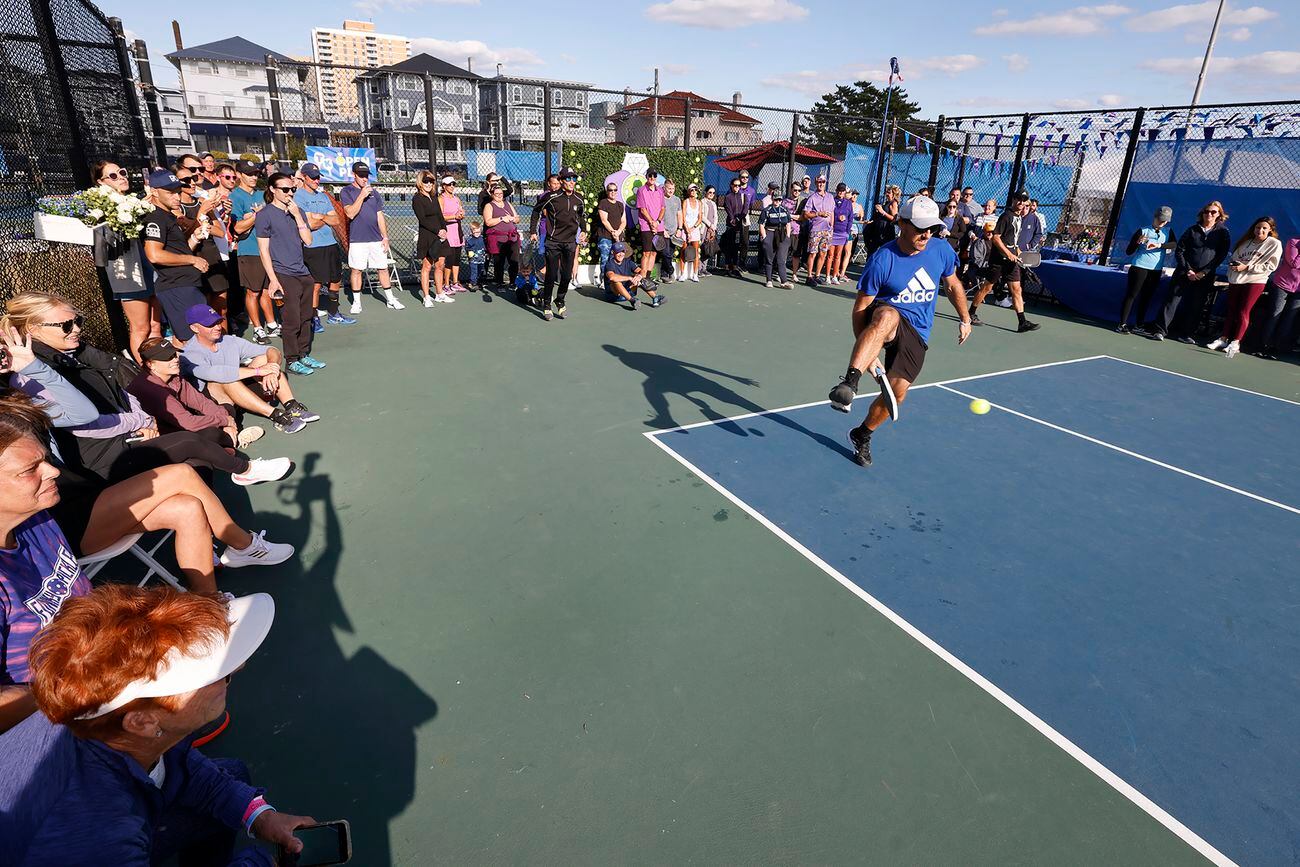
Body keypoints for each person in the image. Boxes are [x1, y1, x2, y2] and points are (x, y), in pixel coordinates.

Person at [5, 585, 317, 864]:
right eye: (217, 674)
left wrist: (257, 814)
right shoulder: (101, 839)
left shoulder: (104, 719)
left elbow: (173, 765)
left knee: (232, 775)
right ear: (141, 721)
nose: (238, 668)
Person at [0, 386, 292, 597]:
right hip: (60, 520)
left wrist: (32, 364)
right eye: (65, 325)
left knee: (187, 507)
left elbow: (79, 410)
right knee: (180, 474)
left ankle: (208, 605)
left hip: (78, 494)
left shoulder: (19, 386)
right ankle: (243, 544)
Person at [4, 293, 276, 486]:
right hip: (103, 458)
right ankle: (246, 470)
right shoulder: (30, 378)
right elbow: (83, 420)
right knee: (191, 442)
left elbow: (125, 388)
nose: (76, 329)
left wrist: (142, 421)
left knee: (200, 461)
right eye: (66, 325)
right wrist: (135, 423)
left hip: (128, 437)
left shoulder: (77, 356)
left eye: (78, 322)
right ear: (32, 329)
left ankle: (213, 544)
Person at [826, 196, 972, 467]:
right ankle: (849, 383)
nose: (926, 234)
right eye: (919, 227)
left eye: (931, 228)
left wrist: (965, 318)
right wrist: (865, 360)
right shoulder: (883, 259)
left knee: (897, 393)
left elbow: (952, 285)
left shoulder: (941, 250)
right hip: (885, 318)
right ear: (902, 224)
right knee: (888, 315)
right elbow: (860, 310)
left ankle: (862, 434)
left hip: (918, 332)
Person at [0, 395, 91, 734]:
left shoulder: (36, 521)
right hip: (53, 723)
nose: (53, 471)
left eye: (45, 459)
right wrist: (85, 694)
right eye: (29, 470)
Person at [127, 337, 288, 485]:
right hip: (161, 441)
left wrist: (227, 420)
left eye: (174, 355)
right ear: (150, 364)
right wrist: (224, 421)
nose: (175, 360)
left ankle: (228, 442)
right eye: (167, 358)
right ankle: (239, 462)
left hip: (179, 427)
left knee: (225, 408)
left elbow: (202, 403)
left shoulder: (174, 377)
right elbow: (188, 423)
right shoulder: (152, 389)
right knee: (210, 434)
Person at [181, 304, 315, 435]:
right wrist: (259, 372)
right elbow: (216, 373)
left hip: (237, 393)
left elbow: (272, 350)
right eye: (210, 324)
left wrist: (271, 368)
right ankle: (276, 415)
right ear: (195, 328)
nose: (217, 327)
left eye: (218, 322)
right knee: (227, 380)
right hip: (214, 403)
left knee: (265, 359)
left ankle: (291, 406)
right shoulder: (189, 354)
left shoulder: (228, 341)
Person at [90, 160, 158, 364]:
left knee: (155, 324)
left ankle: (161, 363)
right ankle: (146, 373)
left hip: (146, 265)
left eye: (122, 172)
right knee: (141, 327)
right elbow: (105, 240)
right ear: (101, 182)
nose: (121, 177)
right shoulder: (100, 207)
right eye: (113, 176)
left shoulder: (133, 202)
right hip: (126, 270)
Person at [257, 173, 322, 377]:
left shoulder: (298, 211)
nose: (289, 193)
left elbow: (308, 240)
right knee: (291, 319)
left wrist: (296, 216)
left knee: (306, 317)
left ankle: (303, 354)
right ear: (272, 190)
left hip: (302, 272)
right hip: (283, 273)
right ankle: (291, 359)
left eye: (292, 189)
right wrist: (273, 280)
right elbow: (263, 250)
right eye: (285, 189)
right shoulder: (265, 215)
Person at [140, 169, 210, 343]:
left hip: (186, 284)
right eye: (170, 192)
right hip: (176, 286)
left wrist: (194, 238)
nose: (176, 197)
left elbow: (177, 250)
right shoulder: (155, 217)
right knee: (194, 341)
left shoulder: (168, 216)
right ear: (154, 192)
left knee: (194, 339)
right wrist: (193, 259)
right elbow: (154, 254)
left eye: (177, 191)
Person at [1149, 201, 1231, 342]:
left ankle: (1186, 334)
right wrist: (1188, 270)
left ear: (1219, 215)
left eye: (1213, 212)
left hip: (1205, 276)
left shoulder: (1223, 233)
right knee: (1171, 301)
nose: (1209, 214)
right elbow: (1180, 250)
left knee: (1196, 305)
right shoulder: (1192, 230)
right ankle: (1160, 331)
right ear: (1202, 213)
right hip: (1183, 272)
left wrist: (1203, 272)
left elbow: (1220, 256)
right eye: (1207, 211)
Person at [1205, 216, 1282, 357]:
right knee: (1231, 310)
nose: (1260, 230)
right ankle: (1223, 339)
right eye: (1258, 227)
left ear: (1270, 229)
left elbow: (1271, 266)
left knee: (1243, 311)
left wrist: (1247, 267)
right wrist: (1234, 268)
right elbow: (1234, 259)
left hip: (1256, 281)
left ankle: (1236, 343)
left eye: (1264, 228)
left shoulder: (1274, 244)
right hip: (1237, 280)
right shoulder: (1245, 243)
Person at [968, 193, 1041, 332]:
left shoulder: (1019, 217)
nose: (1021, 202)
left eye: (1024, 200)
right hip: (999, 260)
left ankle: (1022, 322)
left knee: (1016, 290)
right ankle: (971, 313)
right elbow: (996, 238)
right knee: (987, 288)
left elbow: (1012, 239)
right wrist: (1008, 253)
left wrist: (1017, 251)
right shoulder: (1006, 216)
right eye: (1018, 199)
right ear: (1013, 200)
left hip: (1011, 260)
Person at [293, 163, 355, 328]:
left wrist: (319, 216)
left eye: (318, 177)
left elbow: (335, 220)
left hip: (331, 244)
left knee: (335, 279)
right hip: (313, 247)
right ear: (304, 178)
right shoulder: (298, 197)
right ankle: (314, 318)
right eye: (312, 177)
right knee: (316, 284)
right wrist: (322, 218)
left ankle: (334, 313)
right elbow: (310, 224)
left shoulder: (322, 196)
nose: (316, 180)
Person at [174, 155, 231, 323]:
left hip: (212, 255)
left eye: (193, 177)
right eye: (186, 179)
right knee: (203, 313)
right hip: (193, 260)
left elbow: (220, 232)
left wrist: (204, 215)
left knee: (221, 310)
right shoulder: (175, 208)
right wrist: (202, 214)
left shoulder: (202, 200)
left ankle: (225, 346)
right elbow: (186, 233)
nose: (192, 181)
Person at [340, 161, 401, 311]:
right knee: (356, 270)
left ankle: (391, 299)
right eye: (361, 176)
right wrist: (361, 195)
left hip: (376, 239)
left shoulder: (375, 193)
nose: (364, 179)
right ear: (354, 175)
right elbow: (350, 213)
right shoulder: (346, 192)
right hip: (357, 240)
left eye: (366, 176)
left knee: (383, 268)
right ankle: (357, 303)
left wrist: (385, 237)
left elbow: (379, 216)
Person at [228, 159, 277, 346]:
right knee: (253, 292)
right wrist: (257, 216)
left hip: (267, 250)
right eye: (249, 174)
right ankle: (257, 328)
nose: (254, 177)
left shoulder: (261, 195)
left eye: (256, 173)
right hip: (249, 251)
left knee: (267, 290)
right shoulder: (235, 197)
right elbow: (238, 228)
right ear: (239, 175)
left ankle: (271, 324)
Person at [528, 167, 584, 321]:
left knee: (566, 276)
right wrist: (533, 231)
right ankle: (547, 304)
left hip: (570, 243)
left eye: (574, 179)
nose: (572, 182)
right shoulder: (551, 197)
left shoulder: (578, 198)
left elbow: (581, 216)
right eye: (568, 179)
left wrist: (584, 230)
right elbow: (536, 212)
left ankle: (560, 299)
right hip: (553, 242)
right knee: (551, 275)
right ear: (561, 181)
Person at [1118, 206, 1172, 335]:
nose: (1162, 222)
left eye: (1165, 220)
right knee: (1132, 295)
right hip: (1139, 267)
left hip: (1155, 270)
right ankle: (1122, 324)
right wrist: (1137, 242)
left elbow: (1174, 244)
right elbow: (1129, 251)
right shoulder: (1143, 230)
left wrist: (1159, 245)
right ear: (1155, 217)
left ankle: (1139, 325)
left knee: (1146, 298)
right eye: (1160, 219)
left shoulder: (1168, 232)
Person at [1254, 235, 1300, 359]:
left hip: (1298, 292)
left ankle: (1277, 348)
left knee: (1289, 319)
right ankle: (1263, 346)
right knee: (1275, 314)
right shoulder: (1293, 242)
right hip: (1282, 284)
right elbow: (1294, 263)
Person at [413, 171, 451, 307]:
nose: (429, 184)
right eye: (426, 181)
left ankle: (440, 294)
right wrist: (437, 231)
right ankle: (427, 297)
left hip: (440, 235)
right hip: (427, 236)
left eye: (431, 181)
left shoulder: (434, 197)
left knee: (440, 265)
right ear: (420, 182)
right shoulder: (417, 199)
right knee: (427, 266)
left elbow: (440, 216)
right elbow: (422, 219)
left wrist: (444, 230)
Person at [603, 242, 666, 309]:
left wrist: (639, 277)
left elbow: (642, 271)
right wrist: (630, 278)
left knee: (639, 277)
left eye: (623, 251)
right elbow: (612, 277)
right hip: (614, 296)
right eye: (618, 252)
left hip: (628, 291)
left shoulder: (628, 262)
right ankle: (632, 301)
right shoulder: (609, 264)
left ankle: (655, 298)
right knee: (616, 281)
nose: (621, 254)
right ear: (613, 252)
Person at [483, 184, 521, 290]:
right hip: (498, 239)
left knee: (514, 261)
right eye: (496, 194)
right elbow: (488, 222)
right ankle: (500, 283)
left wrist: (513, 219)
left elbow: (517, 218)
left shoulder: (507, 203)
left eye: (501, 193)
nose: (499, 195)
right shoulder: (489, 206)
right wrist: (501, 218)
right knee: (499, 262)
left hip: (512, 238)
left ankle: (513, 282)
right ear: (492, 195)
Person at [757, 182, 792, 289]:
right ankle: (769, 280)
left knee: (781, 260)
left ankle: (784, 281)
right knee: (769, 259)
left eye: (780, 200)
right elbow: (761, 224)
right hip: (770, 233)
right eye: (776, 199)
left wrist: (788, 236)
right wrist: (764, 237)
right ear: (772, 198)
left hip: (781, 235)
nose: (778, 202)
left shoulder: (785, 210)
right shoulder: (767, 210)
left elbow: (788, 223)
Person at [802, 175, 836, 286]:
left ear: (825, 183)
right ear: (816, 183)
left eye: (823, 182)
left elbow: (832, 212)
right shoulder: (812, 198)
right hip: (816, 230)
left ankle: (817, 275)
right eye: (819, 182)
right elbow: (806, 214)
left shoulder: (830, 197)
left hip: (827, 231)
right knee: (813, 253)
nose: (821, 184)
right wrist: (818, 214)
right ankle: (809, 277)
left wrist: (832, 225)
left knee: (823, 253)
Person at [635, 169, 666, 281]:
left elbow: (663, 208)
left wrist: (657, 222)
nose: (652, 177)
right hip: (646, 226)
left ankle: (647, 278)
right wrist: (651, 223)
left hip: (659, 226)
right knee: (646, 253)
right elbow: (643, 210)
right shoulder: (641, 190)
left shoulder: (660, 191)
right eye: (650, 175)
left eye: (654, 175)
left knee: (653, 253)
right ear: (646, 176)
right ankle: (642, 278)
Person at [439, 176, 467, 294]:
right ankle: (446, 285)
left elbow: (461, 212)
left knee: (456, 260)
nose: (452, 186)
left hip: (458, 232)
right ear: (444, 186)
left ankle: (455, 283)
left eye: (453, 184)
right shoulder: (441, 199)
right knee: (449, 260)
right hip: (448, 232)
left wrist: (461, 214)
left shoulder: (457, 199)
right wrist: (454, 217)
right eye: (449, 184)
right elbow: (440, 217)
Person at [594, 181, 627, 279]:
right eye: (610, 190)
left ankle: (616, 280)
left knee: (618, 260)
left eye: (615, 190)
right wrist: (613, 232)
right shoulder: (603, 203)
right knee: (605, 259)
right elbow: (604, 220)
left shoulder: (620, 205)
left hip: (618, 237)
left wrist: (618, 232)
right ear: (607, 191)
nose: (613, 192)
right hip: (605, 237)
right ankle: (604, 281)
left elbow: (624, 221)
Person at [827, 182, 854, 285]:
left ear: (844, 192)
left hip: (843, 233)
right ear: (836, 190)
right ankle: (827, 276)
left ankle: (834, 276)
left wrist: (847, 232)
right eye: (839, 190)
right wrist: (838, 218)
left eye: (842, 191)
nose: (841, 192)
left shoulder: (848, 203)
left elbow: (850, 218)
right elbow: (830, 214)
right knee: (830, 255)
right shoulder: (831, 201)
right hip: (833, 232)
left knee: (838, 256)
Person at [721, 176, 748, 277]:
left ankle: (735, 267)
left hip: (739, 225)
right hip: (730, 225)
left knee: (736, 246)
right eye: (735, 185)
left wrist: (739, 218)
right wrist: (732, 219)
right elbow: (728, 208)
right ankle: (728, 267)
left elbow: (745, 209)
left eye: (739, 186)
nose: (737, 187)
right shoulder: (728, 197)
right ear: (731, 186)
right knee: (729, 246)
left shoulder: (743, 196)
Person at [678, 183, 704, 283]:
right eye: (692, 190)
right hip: (685, 229)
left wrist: (692, 229)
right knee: (683, 251)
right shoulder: (685, 202)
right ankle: (682, 274)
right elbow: (683, 217)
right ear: (689, 191)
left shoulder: (699, 203)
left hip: (695, 230)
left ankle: (695, 274)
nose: (693, 192)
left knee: (696, 252)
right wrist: (687, 230)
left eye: (695, 190)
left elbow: (700, 218)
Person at [660, 179, 682, 282]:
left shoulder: (677, 200)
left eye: (673, 189)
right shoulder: (660, 199)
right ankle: (671, 271)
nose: (671, 191)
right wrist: (662, 229)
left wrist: (680, 228)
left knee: (670, 254)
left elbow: (679, 215)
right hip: (663, 232)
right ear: (664, 188)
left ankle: (664, 274)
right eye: (669, 188)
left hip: (674, 232)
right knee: (665, 253)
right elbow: (657, 215)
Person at [464, 220, 488, 296]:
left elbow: (485, 247)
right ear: (472, 231)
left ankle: (478, 282)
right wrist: (469, 251)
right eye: (475, 232)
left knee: (480, 270)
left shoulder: (482, 238)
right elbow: (467, 247)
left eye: (479, 232)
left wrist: (486, 253)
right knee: (474, 271)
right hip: (473, 259)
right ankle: (472, 283)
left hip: (481, 258)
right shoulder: (469, 239)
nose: (477, 234)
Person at [700, 185, 719, 277]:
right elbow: (702, 216)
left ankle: (704, 268)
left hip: (711, 230)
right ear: (706, 192)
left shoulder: (713, 204)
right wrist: (710, 225)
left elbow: (716, 217)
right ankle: (699, 269)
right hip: (704, 229)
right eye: (710, 192)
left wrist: (714, 226)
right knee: (703, 247)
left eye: (713, 193)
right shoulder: (702, 202)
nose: (712, 194)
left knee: (709, 248)